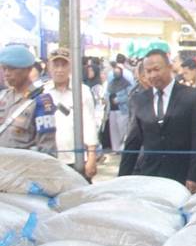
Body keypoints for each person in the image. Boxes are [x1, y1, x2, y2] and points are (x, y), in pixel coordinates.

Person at [119, 49, 196, 193]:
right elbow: (133, 142)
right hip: (149, 175)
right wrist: (122, 179)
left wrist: (195, 176)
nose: (152, 75)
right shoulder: (140, 100)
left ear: (169, 67)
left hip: (181, 176)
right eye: (148, 71)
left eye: (156, 69)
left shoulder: (191, 96)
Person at [44, 48, 98, 178]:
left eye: (64, 65)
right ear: (49, 67)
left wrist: (92, 156)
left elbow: (89, 123)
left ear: (71, 67)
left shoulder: (82, 91)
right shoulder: (42, 92)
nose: (60, 70)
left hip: (77, 158)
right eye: (56, 65)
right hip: (48, 159)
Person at [0, 45, 57, 155]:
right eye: (4, 68)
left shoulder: (41, 101)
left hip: (24, 167)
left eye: (12, 69)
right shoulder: (3, 97)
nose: (7, 73)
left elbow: (47, 147)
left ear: (28, 70)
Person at [106, 63, 132, 151]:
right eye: (115, 72)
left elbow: (129, 96)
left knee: (122, 130)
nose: (116, 74)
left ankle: (123, 148)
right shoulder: (111, 83)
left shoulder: (126, 84)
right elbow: (107, 94)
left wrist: (119, 99)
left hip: (122, 110)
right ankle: (115, 149)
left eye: (118, 72)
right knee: (113, 131)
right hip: (112, 110)